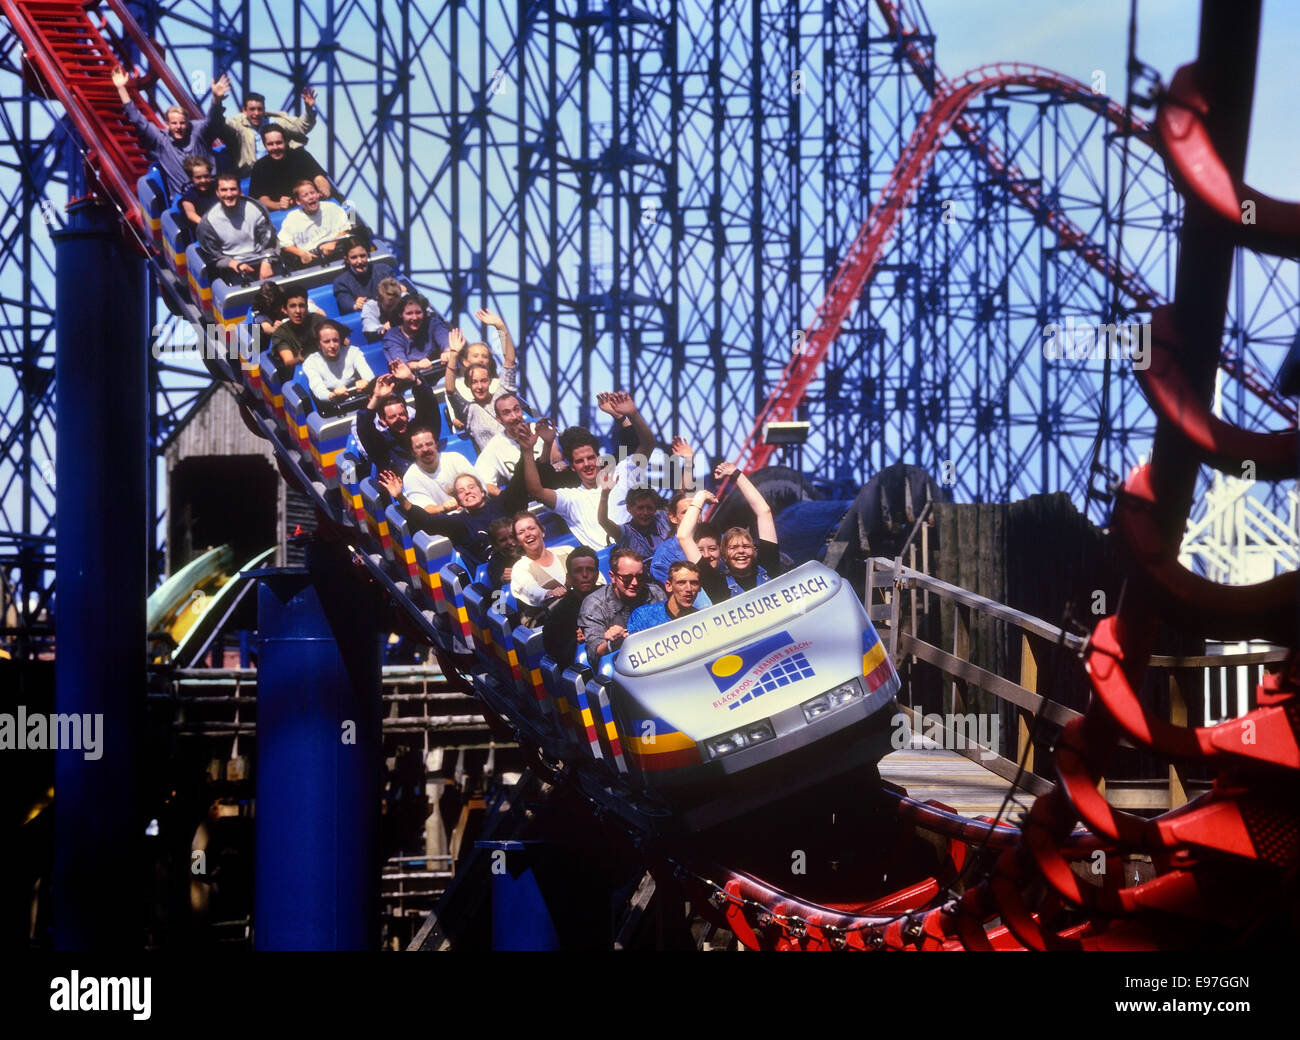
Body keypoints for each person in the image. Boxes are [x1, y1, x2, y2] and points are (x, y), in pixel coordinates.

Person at [516, 399, 656, 549]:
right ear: (573, 467)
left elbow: (648, 445)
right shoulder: (569, 498)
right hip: (608, 562)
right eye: (580, 461)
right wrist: (527, 451)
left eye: (591, 458)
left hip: (641, 550)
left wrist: (632, 415)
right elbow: (535, 491)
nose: (587, 464)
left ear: (599, 458)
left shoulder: (621, 472)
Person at [112, 65, 225, 199]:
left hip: (211, 194)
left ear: (188, 123)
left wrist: (216, 100)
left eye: (182, 123)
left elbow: (213, 121)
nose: (178, 127)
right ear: (167, 125)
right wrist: (121, 89)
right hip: (184, 200)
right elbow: (137, 120)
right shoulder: (161, 141)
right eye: (174, 123)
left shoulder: (198, 132)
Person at [677, 461, 784, 601]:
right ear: (724, 555)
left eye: (746, 546)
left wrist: (736, 474)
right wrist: (700, 497)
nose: (741, 551)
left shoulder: (769, 566)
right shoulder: (717, 584)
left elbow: (764, 511)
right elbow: (683, 536)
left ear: (754, 550)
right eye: (733, 547)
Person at [378, 471, 509, 568]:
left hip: (520, 557)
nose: (468, 492)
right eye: (461, 491)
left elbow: (518, 487)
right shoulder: (459, 522)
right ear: (458, 500)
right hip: (497, 572)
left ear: (482, 491)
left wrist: (526, 450)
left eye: (471, 487)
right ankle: (501, 605)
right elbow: (426, 521)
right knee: (501, 601)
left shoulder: (502, 504)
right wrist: (401, 497)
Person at [578, 548, 665, 663]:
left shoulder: (655, 593)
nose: (635, 583)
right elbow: (595, 652)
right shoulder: (595, 604)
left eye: (640, 577)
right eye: (627, 578)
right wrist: (613, 642)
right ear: (612, 577)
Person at [444, 315, 518, 450]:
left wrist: (500, 327)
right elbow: (450, 390)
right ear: (469, 385)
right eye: (474, 382)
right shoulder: (469, 410)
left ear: (490, 381)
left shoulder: (503, 393)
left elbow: (510, 361)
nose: (479, 386)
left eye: (484, 381)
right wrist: (454, 354)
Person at [215, 85, 318, 178]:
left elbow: (300, 128)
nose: (256, 113)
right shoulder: (238, 124)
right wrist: (217, 103)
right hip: (250, 174)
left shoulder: (274, 122)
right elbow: (220, 124)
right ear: (244, 110)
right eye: (252, 109)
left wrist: (309, 110)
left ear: (264, 109)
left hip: (277, 171)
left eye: (260, 109)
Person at [195, 174, 280, 283]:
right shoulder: (208, 222)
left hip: (262, 258)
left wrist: (267, 261)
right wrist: (234, 264)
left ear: (240, 191)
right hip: (233, 267)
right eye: (224, 190)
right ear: (217, 193)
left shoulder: (256, 209)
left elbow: (269, 241)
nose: (229, 194)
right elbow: (213, 256)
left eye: (233, 189)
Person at [355, 367, 442, 473]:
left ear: (407, 414)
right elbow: (364, 427)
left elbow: (429, 405)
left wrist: (413, 379)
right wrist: (377, 397)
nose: (399, 419)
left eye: (401, 414)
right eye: (392, 417)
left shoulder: (421, 432)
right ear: (383, 420)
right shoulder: (381, 447)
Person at [508, 513, 575, 624]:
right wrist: (549, 593)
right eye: (521, 532)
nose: (528, 534)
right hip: (546, 620)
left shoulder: (567, 551)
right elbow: (532, 591)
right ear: (517, 541)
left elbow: (595, 577)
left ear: (542, 532)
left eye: (531, 528)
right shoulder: (519, 568)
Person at [542, 548, 603, 669]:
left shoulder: (610, 595)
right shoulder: (559, 612)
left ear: (596, 575)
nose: (585, 575)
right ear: (569, 577)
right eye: (578, 570)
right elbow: (552, 647)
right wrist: (576, 641)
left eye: (590, 570)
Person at [248, 125, 332, 211]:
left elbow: (319, 177)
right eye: (270, 144)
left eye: (279, 143)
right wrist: (278, 205)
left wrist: (324, 189)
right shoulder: (260, 166)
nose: (275, 147)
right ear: (265, 145)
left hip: (308, 207)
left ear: (286, 142)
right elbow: (261, 199)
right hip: (280, 215)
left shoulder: (301, 156)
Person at [399, 428, 478, 512]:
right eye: (419, 447)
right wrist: (445, 507)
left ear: (436, 444)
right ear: (412, 451)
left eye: (429, 444)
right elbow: (425, 510)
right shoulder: (411, 477)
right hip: (444, 521)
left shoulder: (455, 458)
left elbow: (479, 487)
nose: (425, 449)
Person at [278, 181, 353, 266]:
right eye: (305, 195)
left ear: (318, 194)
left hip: (335, 251)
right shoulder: (292, 218)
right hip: (310, 257)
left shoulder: (331, 207)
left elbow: (346, 228)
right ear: (299, 201)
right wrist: (301, 253)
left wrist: (333, 242)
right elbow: (283, 243)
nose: (311, 197)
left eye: (312, 193)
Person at [300, 320, 373, 407]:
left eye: (335, 340)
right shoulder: (311, 362)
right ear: (318, 344)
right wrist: (333, 395)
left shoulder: (353, 352)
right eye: (327, 342)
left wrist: (366, 382)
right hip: (331, 405)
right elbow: (318, 389)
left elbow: (369, 375)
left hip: (359, 398)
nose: (332, 346)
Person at [382, 294, 451, 373]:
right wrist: (418, 365)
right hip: (411, 379)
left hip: (440, 371)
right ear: (401, 315)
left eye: (418, 312)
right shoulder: (392, 336)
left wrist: (447, 352)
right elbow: (401, 365)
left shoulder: (433, 324)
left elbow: (445, 341)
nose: (415, 318)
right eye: (409, 313)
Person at [627, 561, 702, 633]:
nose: (689, 589)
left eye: (694, 583)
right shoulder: (643, 616)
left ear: (699, 588)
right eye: (681, 583)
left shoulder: (702, 620)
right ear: (669, 586)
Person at [599, 485, 670, 558]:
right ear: (629, 508)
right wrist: (604, 495)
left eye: (649, 508)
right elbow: (603, 521)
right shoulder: (626, 534)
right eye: (640, 508)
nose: (645, 512)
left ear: (655, 508)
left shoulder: (663, 519)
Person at [333, 244, 407, 313]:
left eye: (362, 256)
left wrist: (399, 290)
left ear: (368, 255)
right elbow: (345, 303)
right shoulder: (341, 282)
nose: (359, 261)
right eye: (354, 257)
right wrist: (356, 305)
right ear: (347, 260)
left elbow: (399, 288)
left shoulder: (384, 270)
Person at [269, 287, 325, 374]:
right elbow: (288, 361)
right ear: (284, 309)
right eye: (292, 306)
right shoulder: (280, 333)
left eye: (301, 306)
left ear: (307, 307)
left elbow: (345, 342)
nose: (298, 311)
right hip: (301, 373)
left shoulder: (318, 320)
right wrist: (300, 358)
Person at [178, 156, 219, 228]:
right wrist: (208, 225)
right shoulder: (189, 197)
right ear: (191, 178)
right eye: (198, 177)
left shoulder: (218, 187)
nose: (203, 180)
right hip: (205, 229)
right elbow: (191, 214)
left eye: (206, 176)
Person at [361, 277, 405, 343]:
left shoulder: (405, 299)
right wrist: (383, 327)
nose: (393, 309)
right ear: (378, 300)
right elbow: (369, 330)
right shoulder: (369, 306)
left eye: (396, 305)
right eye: (389, 306)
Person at [486, 518, 520, 588]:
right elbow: (496, 585)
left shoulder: (527, 550)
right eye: (503, 540)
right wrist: (504, 579)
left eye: (512, 536)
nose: (510, 542)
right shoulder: (495, 562)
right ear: (495, 545)